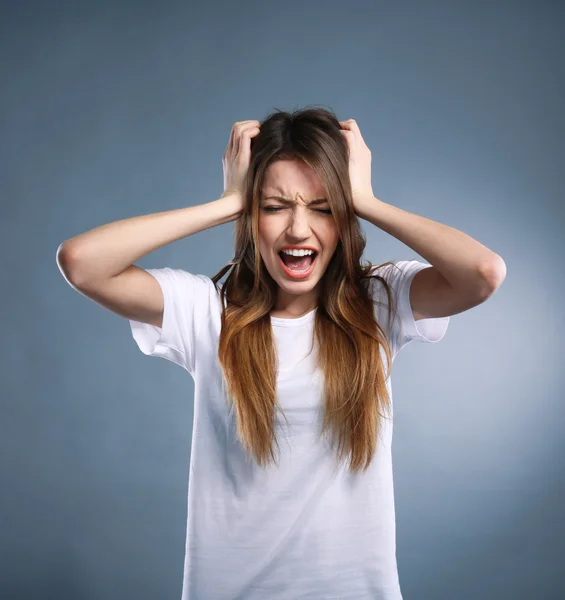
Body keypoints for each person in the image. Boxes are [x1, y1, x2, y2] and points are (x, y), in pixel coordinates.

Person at [56, 107, 506, 600]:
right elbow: (82, 262)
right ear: (251, 219)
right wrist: (228, 202)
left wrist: (365, 200)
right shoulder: (207, 312)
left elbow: (483, 272)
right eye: (274, 207)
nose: (297, 229)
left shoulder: (379, 303)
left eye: (322, 207)